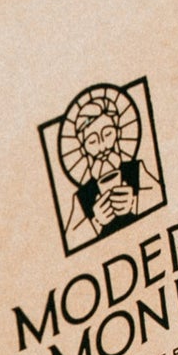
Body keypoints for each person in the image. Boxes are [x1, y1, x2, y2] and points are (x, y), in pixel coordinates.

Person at [60, 88, 160, 245]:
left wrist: (135, 203)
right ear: (83, 149)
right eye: (92, 141)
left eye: (107, 134)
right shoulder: (81, 198)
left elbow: (166, 196)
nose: (103, 147)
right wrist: (96, 222)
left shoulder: (137, 170)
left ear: (118, 133)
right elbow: (69, 241)